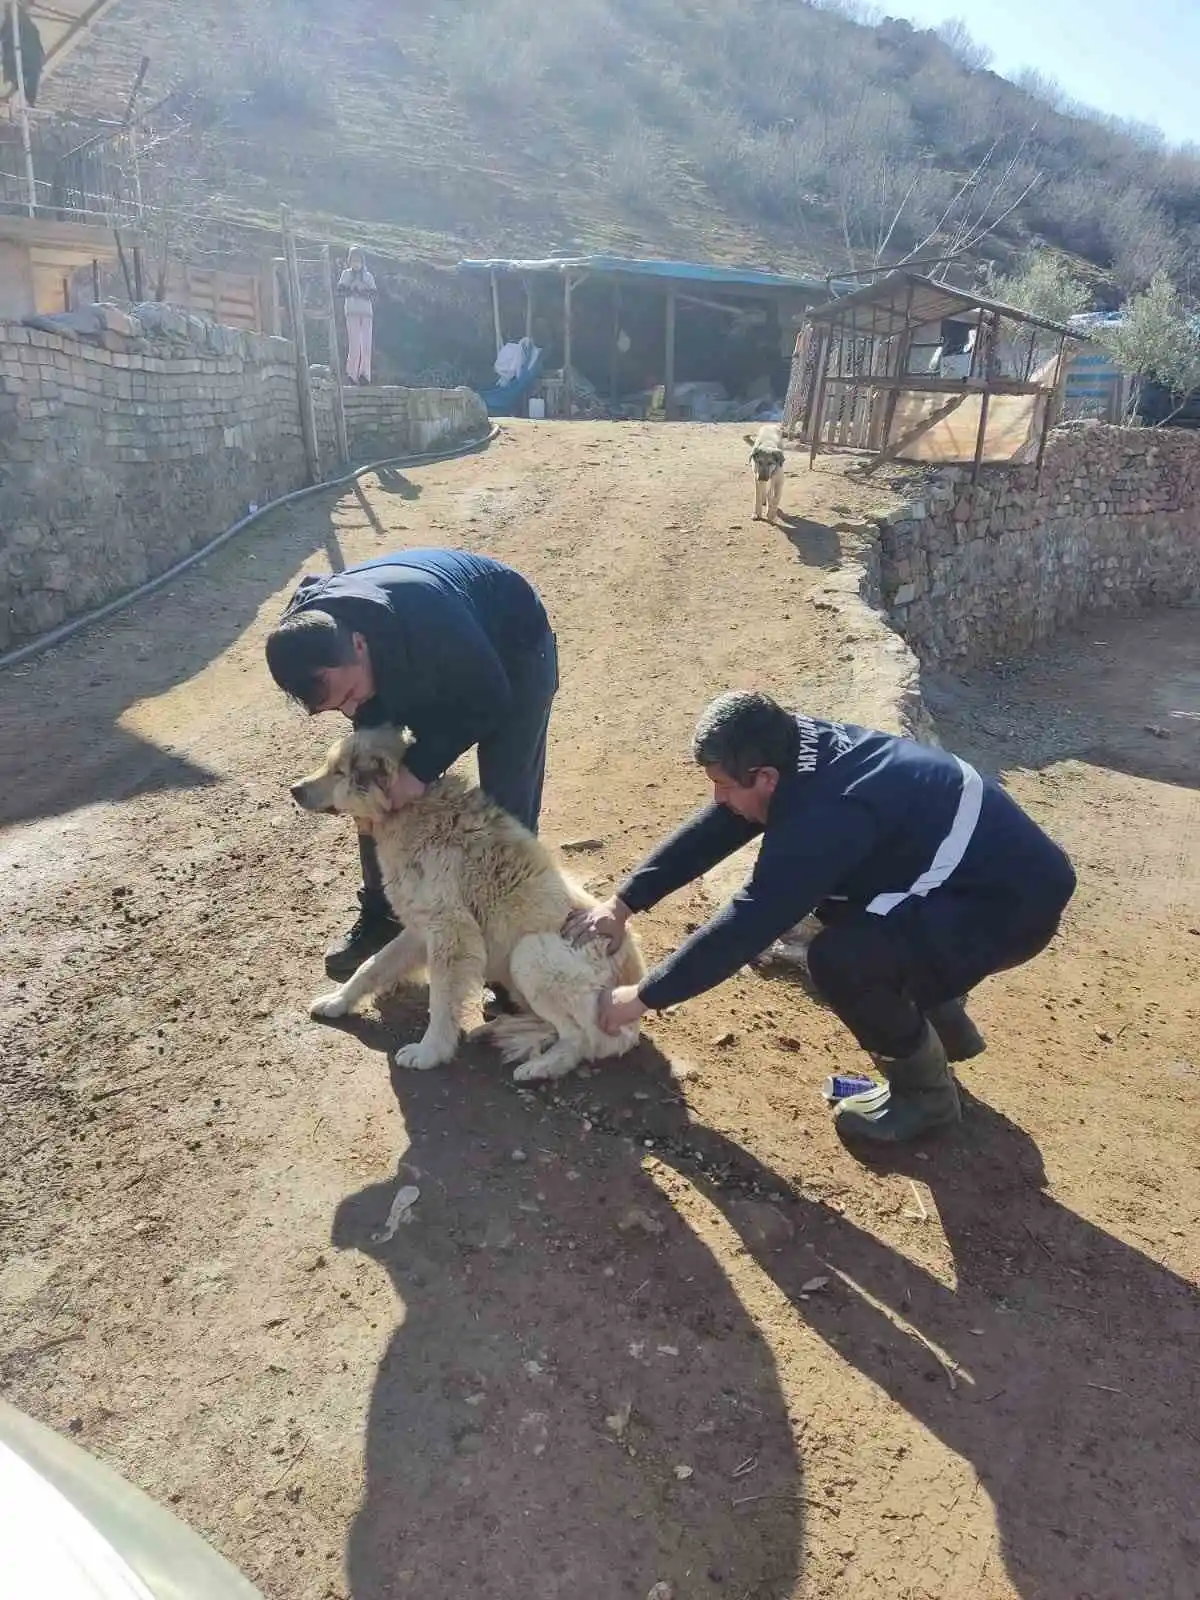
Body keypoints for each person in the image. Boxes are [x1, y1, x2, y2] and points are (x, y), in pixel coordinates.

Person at [570, 691, 1076, 1146]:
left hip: (1006, 906)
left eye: (722, 785)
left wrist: (640, 998)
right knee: (843, 907)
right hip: (983, 872)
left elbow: (750, 922)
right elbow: (723, 823)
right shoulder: (791, 750)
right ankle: (943, 1028)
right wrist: (623, 904)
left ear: (764, 778)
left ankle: (926, 1098)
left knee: (843, 959)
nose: (717, 798)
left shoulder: (828, 813)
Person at [266, 550, 558, 980]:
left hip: (509, 650)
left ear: (359, 645)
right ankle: (383, 917)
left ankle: (514, 947)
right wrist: (388, 782)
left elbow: (489, 698)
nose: (351, 709)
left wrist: (418, 770)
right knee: (371, 791)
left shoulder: (429, 614)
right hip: (411, 660)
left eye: (348, 695)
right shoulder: (308, 635)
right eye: (337, 707)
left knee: (506, 800)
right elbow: (360, 715)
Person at [337, 246, 377, 386]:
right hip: (352, 312)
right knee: (354, 344)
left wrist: (362, 291)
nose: (356, 263)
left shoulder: (368, 276)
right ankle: (351, 374)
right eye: (353, 260)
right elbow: (340, 291)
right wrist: (352, 289)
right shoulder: (346, 275)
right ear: (349, 261)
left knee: (366, 345)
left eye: (358, 260)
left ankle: (364, 375)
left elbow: (373, 294)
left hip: (366, 313)